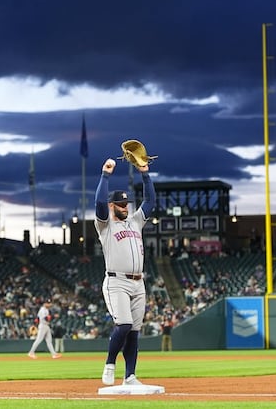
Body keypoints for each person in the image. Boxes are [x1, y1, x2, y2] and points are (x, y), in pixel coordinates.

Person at [95, 156, 155, 386]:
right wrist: (105, 175)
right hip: (116, 282)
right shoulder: (105, 225)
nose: (124, 206)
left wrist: (145, 173)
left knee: (134, 332)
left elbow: (150, 201)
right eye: (120, 204)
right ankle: (110, 364)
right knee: (124, 324)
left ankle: (130, 376)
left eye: (126, 203)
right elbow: (99, 204)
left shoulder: (135, 221)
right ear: (112, 206)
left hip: (138, 283)